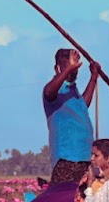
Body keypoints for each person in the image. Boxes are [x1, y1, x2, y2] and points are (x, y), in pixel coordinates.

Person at [42, 49, 103, 185]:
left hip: (85, 157)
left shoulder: (72, 90)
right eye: (68, 66)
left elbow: (83, 105)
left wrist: (93, 77)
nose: (72, 70)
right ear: (57, 68)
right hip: (67, 159)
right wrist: (69, 68)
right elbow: (48, 92)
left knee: (82, 200)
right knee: (65, 199)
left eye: (75, 68)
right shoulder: (54, 89)